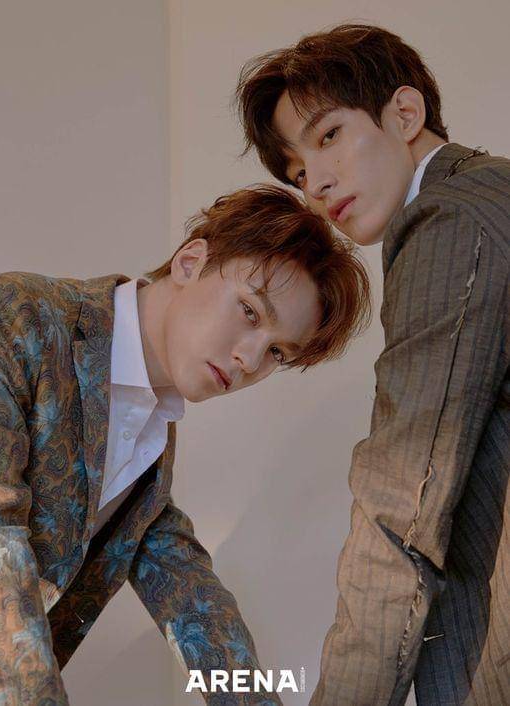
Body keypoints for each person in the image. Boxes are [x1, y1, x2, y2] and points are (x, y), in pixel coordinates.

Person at [0, 184, 370, 705]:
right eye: (250, 312)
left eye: (278, 352)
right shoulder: (9, 320)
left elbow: (193, 603)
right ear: (190, 262)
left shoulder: (150, 439)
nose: (251, 360)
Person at [236, 23, 510, 706]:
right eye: (298, 173)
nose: (317, 184)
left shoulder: (451, 221)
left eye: (329, 135)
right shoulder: (493, 194)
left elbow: (401, 507)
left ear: (405, 113)